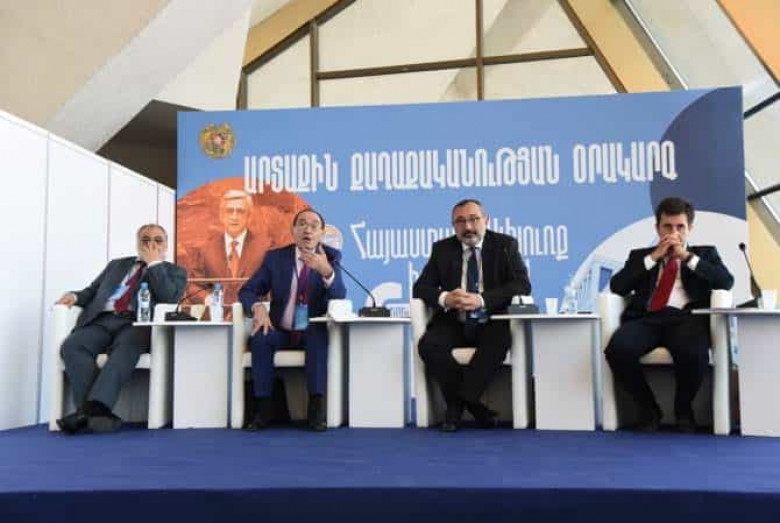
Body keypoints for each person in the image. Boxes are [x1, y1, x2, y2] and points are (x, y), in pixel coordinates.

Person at [605, 197, 734, 433]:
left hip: (686, 318)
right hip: (647, 318)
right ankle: (648, 409)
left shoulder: (705, 253)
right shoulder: (640, 256)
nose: (674, 233)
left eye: (680, 227)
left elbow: (725, 282)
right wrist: (654, 257)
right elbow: (618, 286)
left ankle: (683, 408)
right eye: (667, 226)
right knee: (618, 349)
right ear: (657, 228)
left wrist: (687, 257)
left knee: (694, 352)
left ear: (689, 228)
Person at [55, 224, 187, 434]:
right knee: (72, 345)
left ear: (166, 245)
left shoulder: (175, 272)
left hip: (137, 323)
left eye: (158, 240)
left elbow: (168, 298)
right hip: (102, 320)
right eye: (145, 240)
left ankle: (86, 412)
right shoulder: (117, 265)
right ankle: (96, 413)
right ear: (137, 243)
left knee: (126, 348)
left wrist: (154, 264)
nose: (151, 244)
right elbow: (92, 291)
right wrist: (75, 296)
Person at [414, 199, 531, 432]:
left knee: (498, 342)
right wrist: (446, 298)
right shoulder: (442, 249)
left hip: (491, 320)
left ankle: (456, 407)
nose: (468, 227)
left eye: (474, 219)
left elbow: (522, 285)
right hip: (454, 321)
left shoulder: (505, 245)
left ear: (486, 220)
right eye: (460, 221)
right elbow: (420, 288)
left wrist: (482, 299)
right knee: (428, 345)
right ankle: (474, 406)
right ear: (453, 226)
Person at [239, 208, 346, 432]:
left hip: (311, 331)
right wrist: (257, 306)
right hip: (281, 329)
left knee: (318, 336)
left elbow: (339, 296)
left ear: (321, 233)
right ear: (293, 230)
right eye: (302, 224)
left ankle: (316, 410)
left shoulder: (331, 257)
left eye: (314, 226)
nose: (308, 230)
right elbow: (247, 291)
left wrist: (326, 272)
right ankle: (262, 410)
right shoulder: (276, 258)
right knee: (260, 338)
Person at [189, 190, 265, 304]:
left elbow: (275, 284)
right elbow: (193, 286)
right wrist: (208, 299)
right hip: (217, 313)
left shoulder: (264, 248)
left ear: (249, 216)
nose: (234, 217)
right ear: (222, 216)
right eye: (229, 211)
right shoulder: (206, 250)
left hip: (252, 313)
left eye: (240, 211)